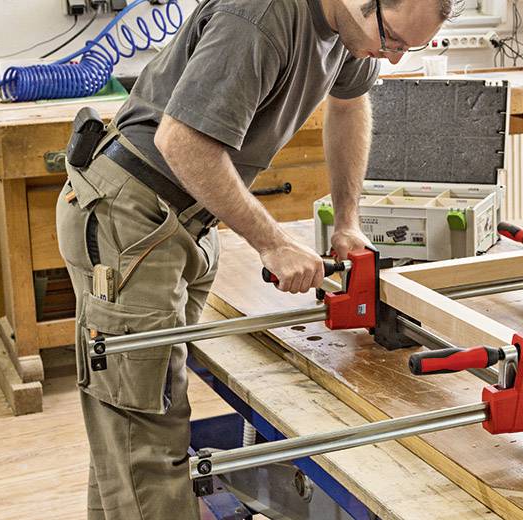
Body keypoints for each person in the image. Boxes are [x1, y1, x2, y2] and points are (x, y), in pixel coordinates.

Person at [55, 0, 457, 518]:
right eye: (394, 41)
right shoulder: (261, 16)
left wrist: (348, 219)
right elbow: (180, 142)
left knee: (130, 430)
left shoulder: (357, 27)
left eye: (409, 46)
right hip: (132, 216)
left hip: (188, 215)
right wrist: (272, 241)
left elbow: (350, 104)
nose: (394, 58)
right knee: (143, 425)